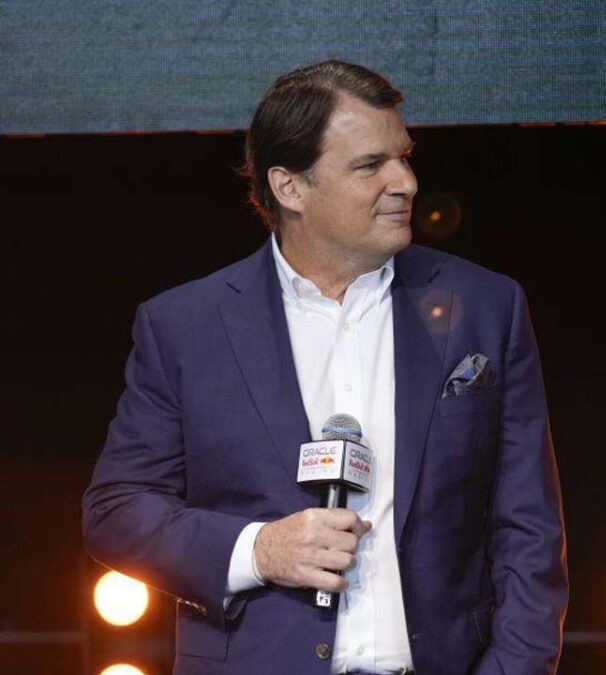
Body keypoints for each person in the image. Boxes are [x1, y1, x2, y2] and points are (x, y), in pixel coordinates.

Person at [83, 60, 567, 675]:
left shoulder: (487, 307)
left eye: (404, 156)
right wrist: (260, 550)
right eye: (370, 165)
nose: (406, 182)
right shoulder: (184, 326)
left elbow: (529, 526)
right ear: (289, 188)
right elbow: (116, 512)